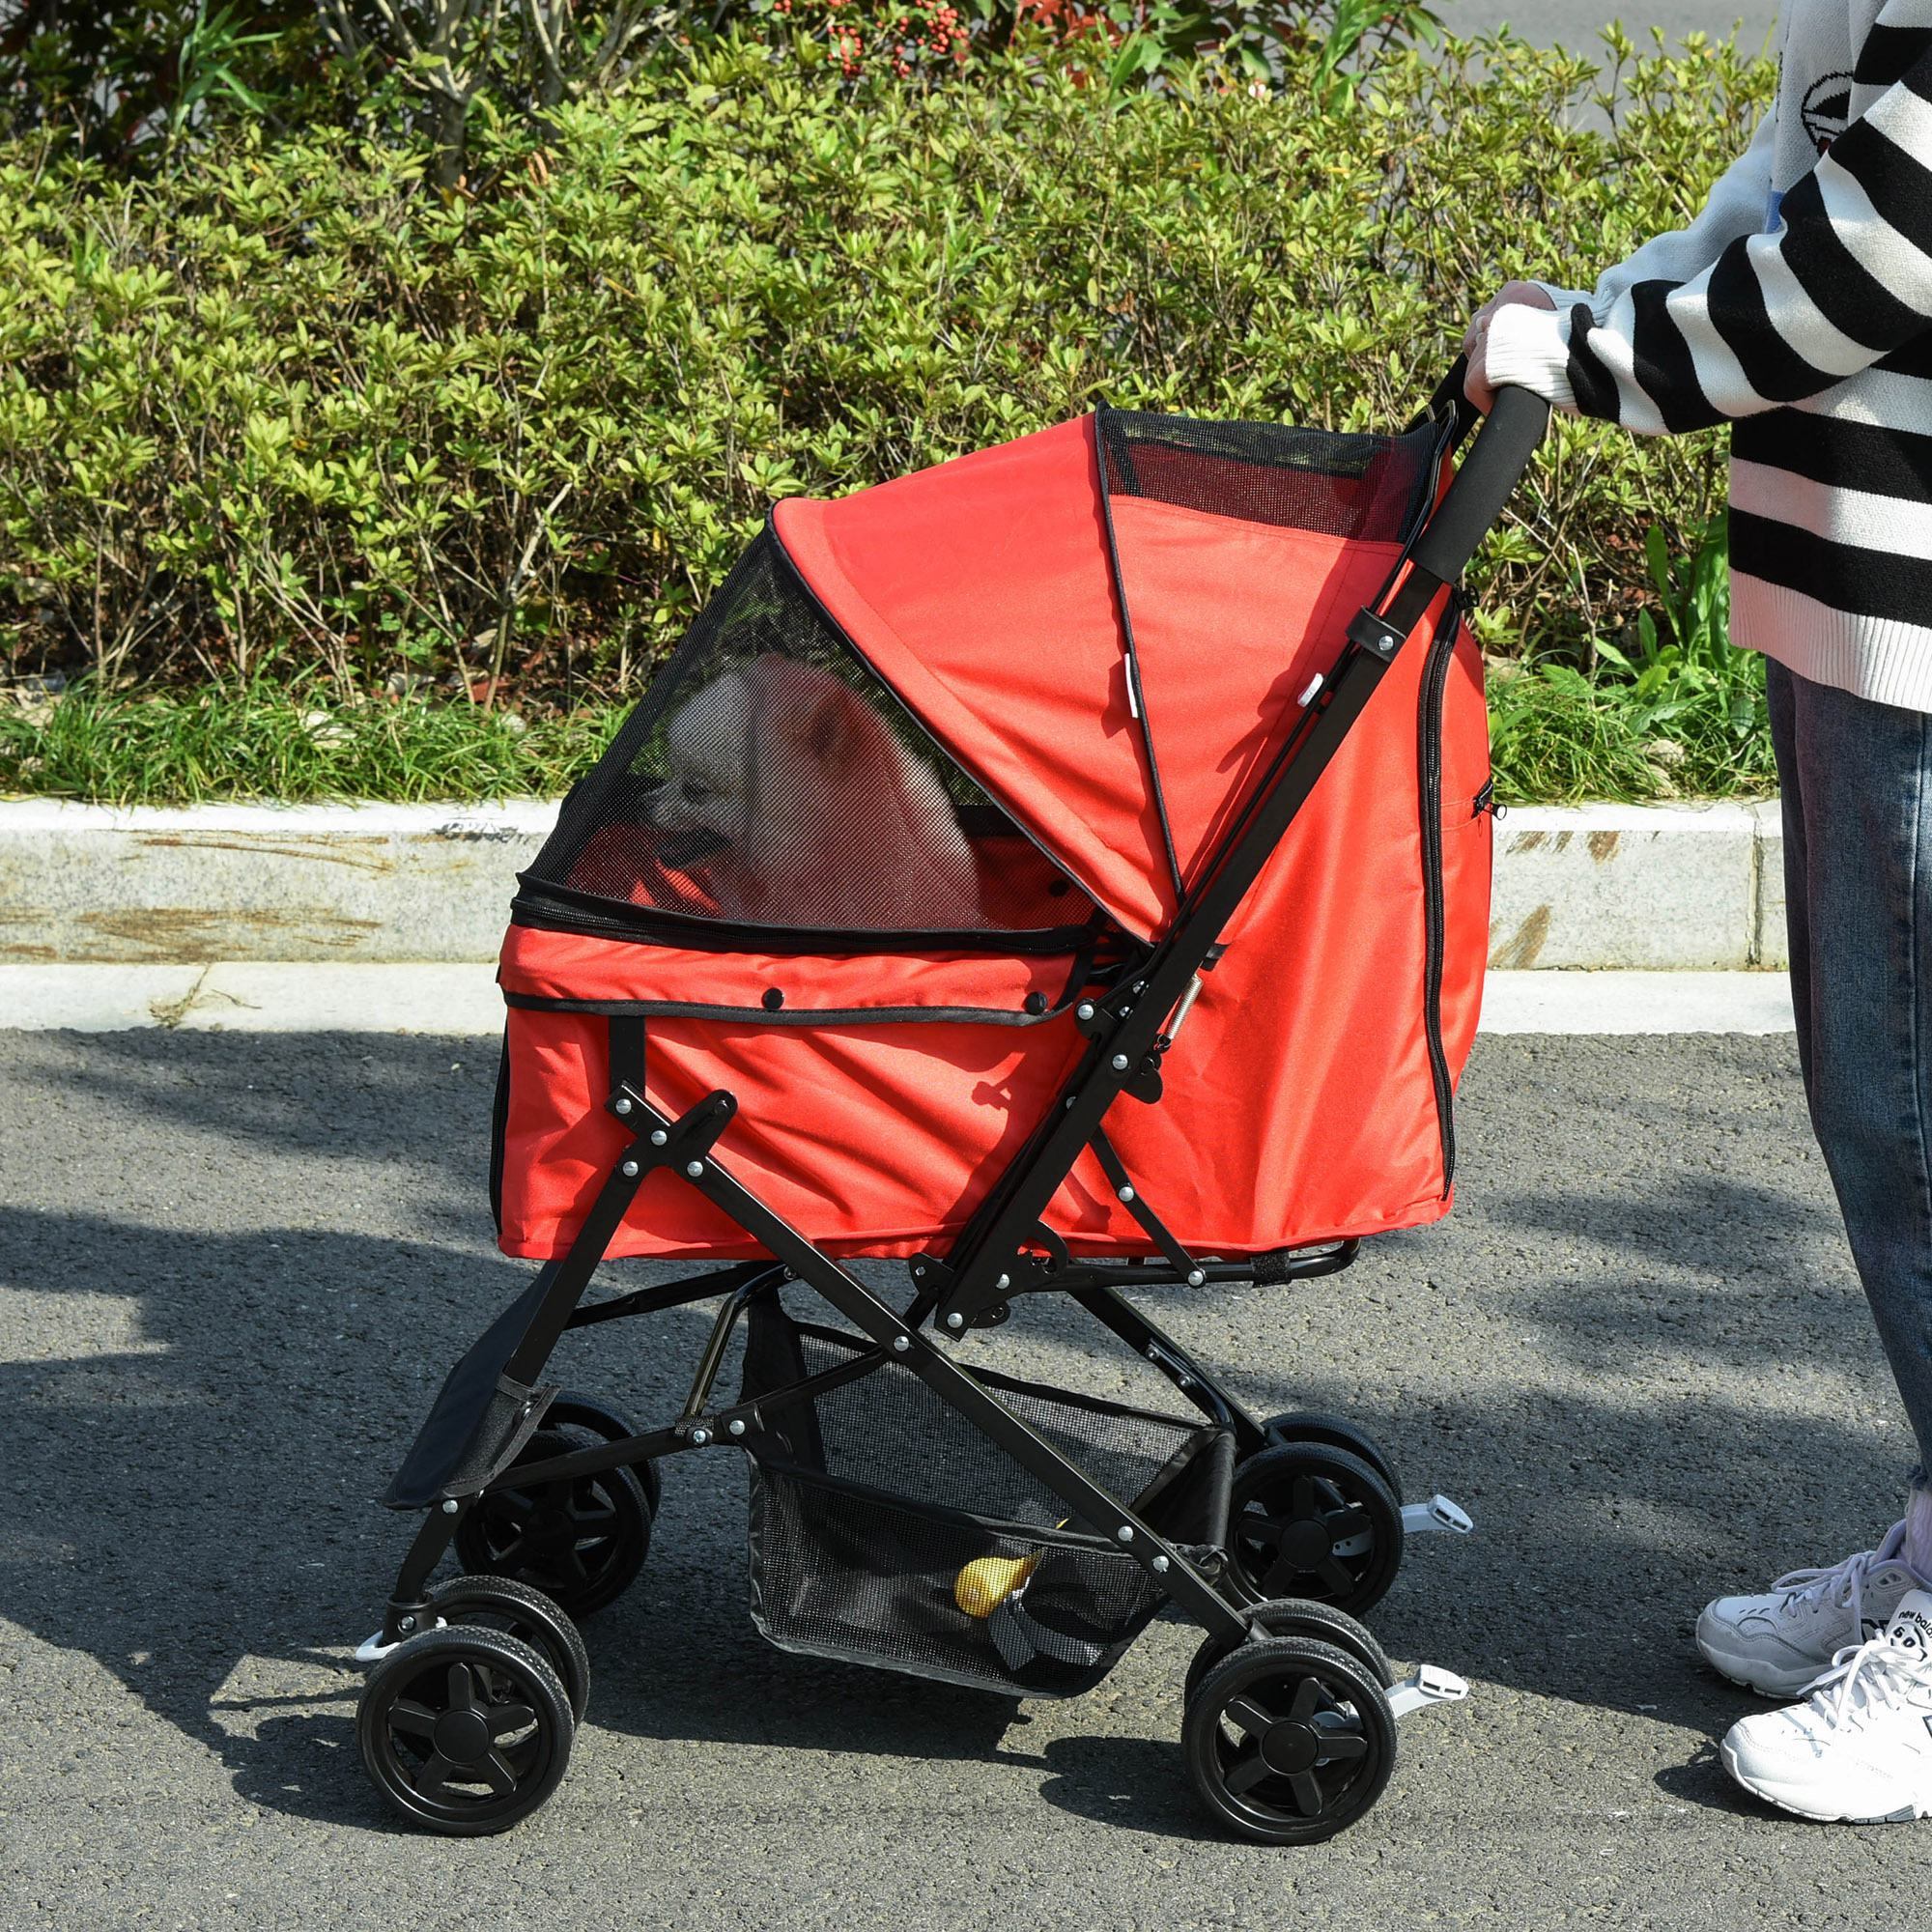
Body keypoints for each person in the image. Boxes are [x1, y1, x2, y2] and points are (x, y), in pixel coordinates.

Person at [1462, 0, 1932, 1824]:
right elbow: (1788, 183)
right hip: (1857, 596)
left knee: (1917, 1130)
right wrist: (1587, 319)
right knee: (1882, 1125)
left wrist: (1593, 360)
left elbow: (1881, 256)